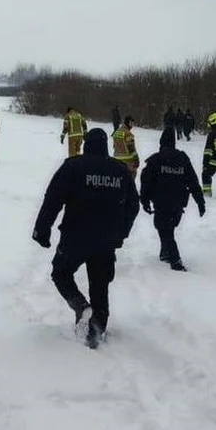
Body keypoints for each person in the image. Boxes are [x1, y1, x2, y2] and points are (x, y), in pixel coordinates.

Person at [32, 128, 140, 348]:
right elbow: (133, 205)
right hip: (106, 240)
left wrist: (42, 230)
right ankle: (95, 332)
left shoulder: (73, 166)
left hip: (76, 235)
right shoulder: (119, 170)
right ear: (106, 147)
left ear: (85, 144)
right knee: (100, 285)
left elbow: (53, 199)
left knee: (60, 273)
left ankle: (81, 306)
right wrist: (121, 232)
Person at [139, 126, 206, 271]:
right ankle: (165, 253)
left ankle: (175, 260)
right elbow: (193, 181)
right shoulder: (182, 158)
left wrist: (144, 200)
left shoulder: (155, 160)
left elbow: (146, 182)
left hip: (162, 202)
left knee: (164, 229)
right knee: (167, 228)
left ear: (161, 142)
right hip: (177, 203)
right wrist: (200, 201)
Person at [112, 116, 140, 180]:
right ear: (128, 123)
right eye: (132, 123)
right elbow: (131, 148)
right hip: (127, 162)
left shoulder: (117, 132)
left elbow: (114, 146)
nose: (132, 126)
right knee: (130, 181)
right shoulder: (128, 134)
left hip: (116, 160)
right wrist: (136, 160)